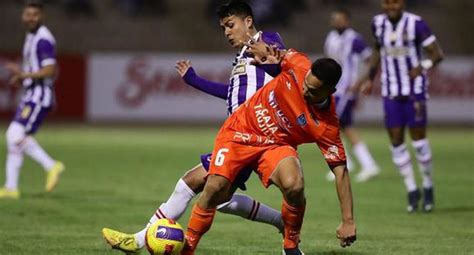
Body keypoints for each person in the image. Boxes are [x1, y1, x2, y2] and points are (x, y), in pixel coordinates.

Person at [102, 1, 288, 253]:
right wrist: (194, 80)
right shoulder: (242, 57)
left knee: (189, 184)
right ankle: (282, 221)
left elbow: (281, 64)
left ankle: (138, 241)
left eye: (230, 25)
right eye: (223, 27)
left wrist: (269, 57)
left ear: (248, 22)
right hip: (238, 136)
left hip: (250, 137)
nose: (227, 32)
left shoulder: (267, 40)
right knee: (220, 201)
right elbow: (233, 93)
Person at [180, 44, 356, 255]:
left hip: (275, 145)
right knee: (215, 188)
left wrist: (348, 221)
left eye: (313, 91)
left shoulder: (326, 126)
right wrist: (266, 53)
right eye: (305, 84)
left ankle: (290, 246)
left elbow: (341, 172)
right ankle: (187, 250)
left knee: (295, 185)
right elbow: (272, 51)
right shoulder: (298, 62)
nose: (305, 91)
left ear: (331, 91)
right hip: (240, 131)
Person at [358, 0, 444, 212]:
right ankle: (412, 190)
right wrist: (370, 78)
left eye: (395, 2)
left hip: (415, 90)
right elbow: (378, 51)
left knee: (419, 142)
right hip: (391, 91)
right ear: (382, 4)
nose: (391, 6)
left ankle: (428, 185)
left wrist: (422, 66)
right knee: (396, 140)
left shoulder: (416, 24)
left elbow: (437, 54)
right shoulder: (377, 23)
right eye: (387, 3)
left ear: (402, 3)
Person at [0, 1, 65, 199]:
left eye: (35, 14)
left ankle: (51, 165)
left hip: (39, 94)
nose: (31, 18)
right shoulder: (31, 36)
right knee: (14, 140)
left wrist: (24, 75)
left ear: (41, 16)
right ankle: (11, 188)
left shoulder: (43, 39)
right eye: (28, 14)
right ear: (23, 16)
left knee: (13, 134)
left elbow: (50, 69)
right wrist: (22, 76)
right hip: (32, 93)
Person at [323, 8, 380, 182]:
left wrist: (360, 82)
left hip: (347, 90)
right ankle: (349, 163)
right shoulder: (331, 38)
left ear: (348, 21)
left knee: (338, 125)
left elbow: (371, 60)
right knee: (340, 126)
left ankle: (366, 164)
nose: (337, 22)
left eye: (341, 19)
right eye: (335, 19)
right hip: (334, 89)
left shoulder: (354, 39)